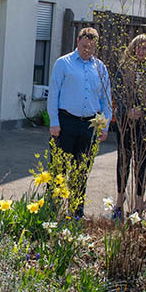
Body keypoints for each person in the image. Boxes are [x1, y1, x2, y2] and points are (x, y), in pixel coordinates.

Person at [47, 26, 111, 217]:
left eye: (90, 47)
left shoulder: (100, 68)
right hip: (65, 122)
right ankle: (53, 212)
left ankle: (76, 212)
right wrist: (54, 122)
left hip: (89, 125)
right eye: (84, 46)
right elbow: (54, 94)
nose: (86, 50)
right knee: (59, 170)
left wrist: (104, 126)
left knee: (81, 171)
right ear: (77, 42)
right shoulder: (63, 63)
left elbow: (106, 99)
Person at [111, 33, 146, 218]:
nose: (141, 52)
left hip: (144, 122)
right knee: (123, 159)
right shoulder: (124, 67)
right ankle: (119, 199)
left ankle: (139, 203)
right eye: (138, 48)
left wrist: (142, 110)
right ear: (133, 48)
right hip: (125, 121)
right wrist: (127, 110)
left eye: (145, 49)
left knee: (141, 161)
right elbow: (117, 91)